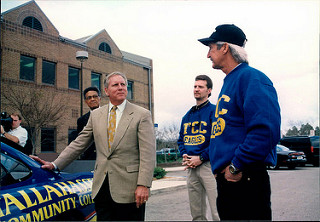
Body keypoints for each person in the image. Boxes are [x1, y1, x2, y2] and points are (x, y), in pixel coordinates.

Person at [31, 71, 156, 221]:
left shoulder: (141, 115)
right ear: (106, 91)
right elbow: (79, 143)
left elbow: (148, 154)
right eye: (115, 85)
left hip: (130, 190)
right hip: (102, 189)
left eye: (123, 84)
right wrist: (55, 164)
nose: (121, 87)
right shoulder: (96, 115)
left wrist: (143, 184)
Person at [198, 24, 281, 220]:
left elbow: (266, 130)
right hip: (230, 181)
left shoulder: (252, 78)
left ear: (224, 47)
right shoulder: (230, 81)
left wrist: (236, 166)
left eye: (211, 48)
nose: (208, 55)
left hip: (244, 178)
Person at [177, 75, 219, 221]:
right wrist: (185, 155)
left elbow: (218, 140)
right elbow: (181, 140)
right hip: (191, 168)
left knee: (217, 211)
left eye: (200, 87)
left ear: (209, 91)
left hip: (209, 166)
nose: (196, 89)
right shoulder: (187, 116)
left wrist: (201, 158)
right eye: (195, 86)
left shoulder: (215, 111)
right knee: (197, 213)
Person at [77, 86, 101, 159]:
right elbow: (80, 141)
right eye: (89, 97)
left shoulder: (109, 115)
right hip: (89, 159)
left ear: (99, 99)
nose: (92, 99)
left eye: (95, 96)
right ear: (86, 101)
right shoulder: (81, 120)